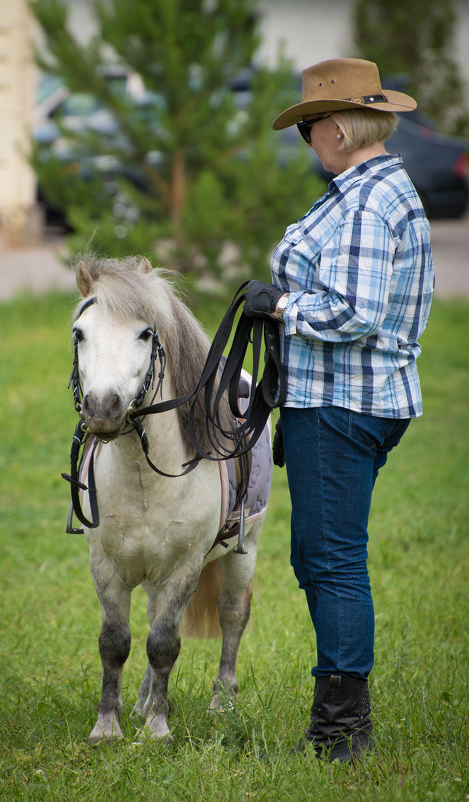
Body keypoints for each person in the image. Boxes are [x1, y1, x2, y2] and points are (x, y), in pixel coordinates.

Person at [243, 58, 434, 762]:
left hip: (340, 399)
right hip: (352, 396)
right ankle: (342, 713)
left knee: (332, 561)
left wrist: (282, 304)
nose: (308, 140)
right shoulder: (371, 188)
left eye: (308, 126)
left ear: (338, 127)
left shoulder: (364, 200)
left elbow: (355, 311)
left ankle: (342, 731)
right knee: (318, 553)